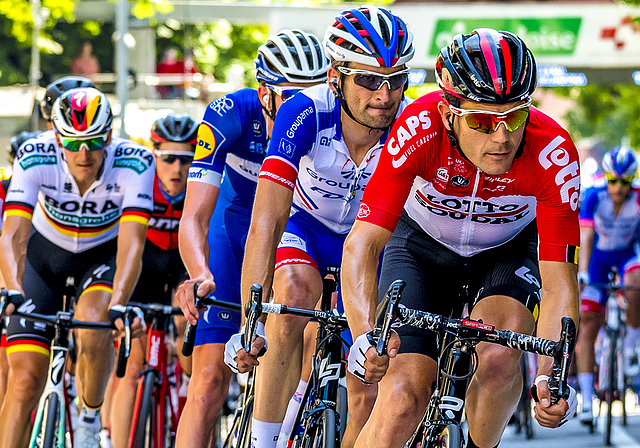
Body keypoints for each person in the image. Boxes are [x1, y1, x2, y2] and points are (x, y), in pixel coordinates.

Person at [339, 28, 581, 448]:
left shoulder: (552, 153)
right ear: (450, 113)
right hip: (420, 246)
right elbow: (363, 244)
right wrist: (364, 337)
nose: (502, 137)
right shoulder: (418, 129)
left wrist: (551, 374)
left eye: (515, 117)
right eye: (484, 121)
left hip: (505, 252)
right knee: (401, 398)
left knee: (503, 355)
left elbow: (560, 280)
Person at [222, 7, 414, 448]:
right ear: (336, 77)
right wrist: (250, 321)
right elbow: (266, 222)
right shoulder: (303, 112)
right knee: (292, 296)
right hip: (306, 228)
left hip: (372, 243)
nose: (384, 95)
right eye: (367, 80)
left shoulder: (407, 127)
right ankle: (264, 440)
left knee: (371, 375)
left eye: (396, 80)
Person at [174, 29, 329, 448]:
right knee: (207, 383)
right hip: (236, 233)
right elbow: (194, 217)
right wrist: (200, 273)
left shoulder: (330, 120)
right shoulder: (229, 114)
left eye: (313, 93)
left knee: (310, 351)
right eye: (291, 95)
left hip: (295, 234)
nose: (304, 106)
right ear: (265, 94)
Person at [0, 87, 154, 448]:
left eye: (93, 142)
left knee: (95, 323)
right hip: (42, 259)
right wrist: (9, 287)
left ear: (109, 136)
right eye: (72, 143)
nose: (83, 153)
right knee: (23, 382)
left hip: (101, 258)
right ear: (56, 137)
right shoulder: (34, 155)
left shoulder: (135, 160)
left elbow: (133, 243)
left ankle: (88, 418)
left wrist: (120, 301)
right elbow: (13, 236)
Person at [108, 113, 196, 448]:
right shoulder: (139, 183)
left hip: (180, 273)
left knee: (189, 335)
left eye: (186, 160)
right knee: (132, 368)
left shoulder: (201, 186)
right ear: (154, 154)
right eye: (168, 159)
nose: (177, 169)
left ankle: (187, 387)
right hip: (143, 273)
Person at [574, 146, 640, 425]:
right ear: (606, 179)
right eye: (613, 180)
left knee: (635, 279)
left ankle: (632, 345)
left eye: (624, 181)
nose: (618, 187)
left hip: (628, 256)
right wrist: (584, 272)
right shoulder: (593, 196)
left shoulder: (638, 199)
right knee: (588, 321)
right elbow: (586, 236)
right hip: (598, 260)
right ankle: (587, 399)